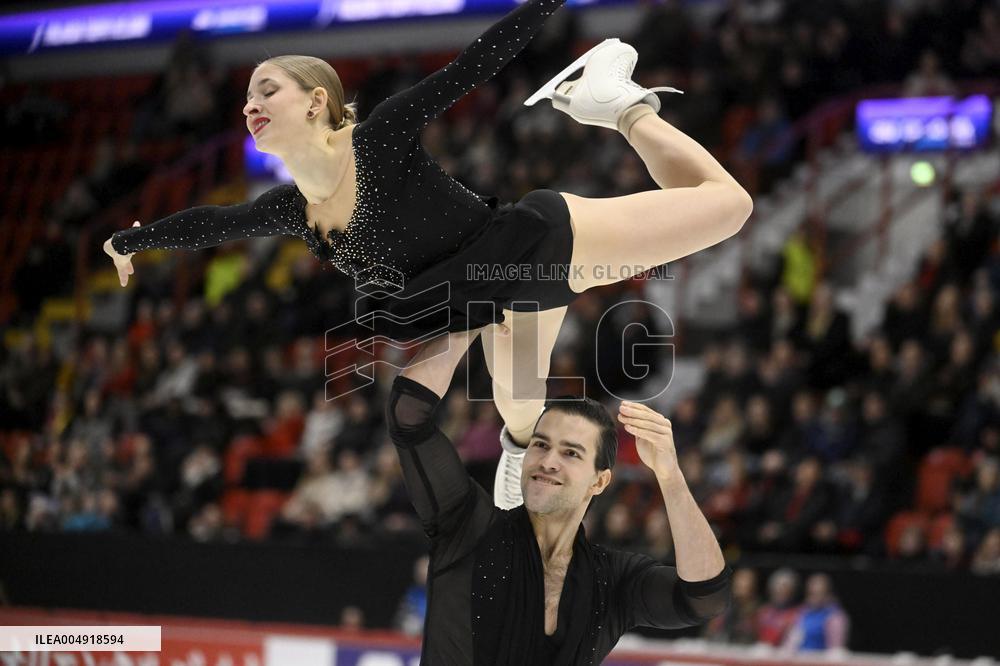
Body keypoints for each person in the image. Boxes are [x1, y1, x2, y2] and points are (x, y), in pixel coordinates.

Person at [104, 0, 752, 462]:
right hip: (496, 298)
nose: (249, 104)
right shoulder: (293, 210)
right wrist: (129, 242)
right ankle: (611, 103)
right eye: (245, 96)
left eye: (265, 89)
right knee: (521, 414)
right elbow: (215, 223)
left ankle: (618, 104)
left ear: (314, 102)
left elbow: (473, 65)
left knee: (730, 207)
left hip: (533, 243)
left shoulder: (378, 138)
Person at [384, 329, 732, 665]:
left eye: (571, 453)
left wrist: (670, 477)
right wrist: (468, 323)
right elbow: (408, 416)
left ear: (599, 482)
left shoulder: (610, 580)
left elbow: (705, 597)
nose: (548, 461)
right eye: (541, 445)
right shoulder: (468, 528)